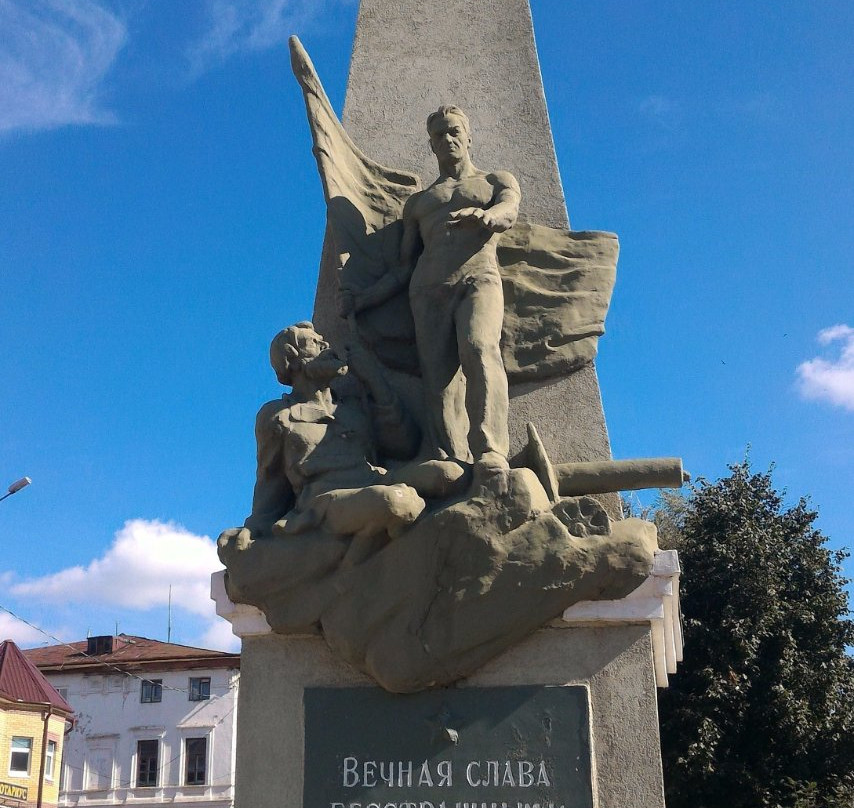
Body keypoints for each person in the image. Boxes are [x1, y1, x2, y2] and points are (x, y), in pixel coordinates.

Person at [340, 106, 520, 482]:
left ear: (469, 136)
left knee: (479, 349)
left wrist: (488, 218)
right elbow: (404, 267)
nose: (447, 140)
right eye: (439, 136)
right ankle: (448, 456)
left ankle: (490, 449)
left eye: (454, 131)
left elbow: (509, 210)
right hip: (428, 289)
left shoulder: (494, 181)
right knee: (437, 378)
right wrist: (365, 299)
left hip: (478, 277)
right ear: (431, 145)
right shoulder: (420, 203)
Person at [218, 322, 466, 566]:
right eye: (314, 343)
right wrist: (256, 526)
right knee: (397, 503)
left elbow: (405, 446)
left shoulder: (351, 407)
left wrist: (374, 381)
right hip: (325, 501)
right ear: (292, 359)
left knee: (450, 474)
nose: (326, 345)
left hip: (375, 479)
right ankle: (359, 568)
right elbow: (269, 480)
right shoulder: (278, 415)